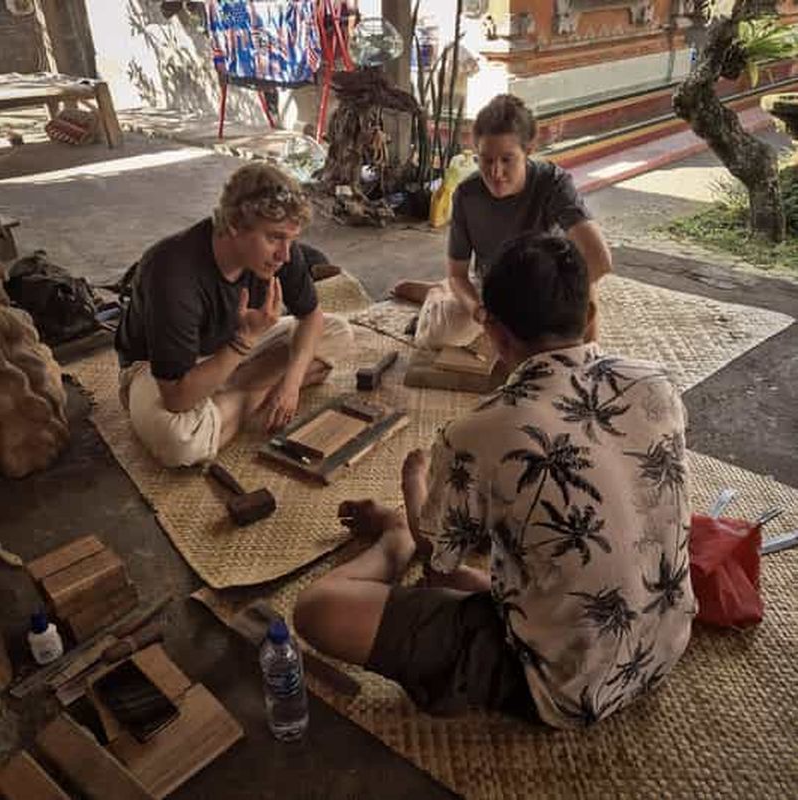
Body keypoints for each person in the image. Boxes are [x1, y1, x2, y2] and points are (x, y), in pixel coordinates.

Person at [295, 234, 694, 728]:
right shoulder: (656, 381)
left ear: (495, 334)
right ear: (588, 313)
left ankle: (390, 542)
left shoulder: (481, 430)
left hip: (568, 687)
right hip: (664, 647)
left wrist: (411, 485)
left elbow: (440, 565)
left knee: (317, 609)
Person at [114, 162, 353, 467]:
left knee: (338, 332)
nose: (285, 254)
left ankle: (229, 397)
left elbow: (311, 317)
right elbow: (176, 397)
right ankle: (249, 396)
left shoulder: (282, 253)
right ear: (234, 225)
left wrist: (291, 384)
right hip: (155, 369)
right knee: (180, 441)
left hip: (235, 342)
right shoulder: (171, 272)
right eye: (274, 238)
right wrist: (245, 341)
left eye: (291, 239)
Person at [393, 93, 612, 347]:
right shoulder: (467, 194)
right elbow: (458, 274)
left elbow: (600, 260)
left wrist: (553, 304)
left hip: (546, 286)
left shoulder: (553, 184)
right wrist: (477, 310)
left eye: (507, 159)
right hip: (495, 289)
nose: (496, 172)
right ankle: (437, 293)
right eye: (486, 160)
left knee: (583, 340)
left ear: (528, 151)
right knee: (441, 335)